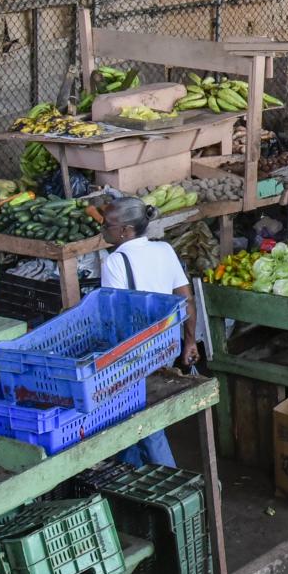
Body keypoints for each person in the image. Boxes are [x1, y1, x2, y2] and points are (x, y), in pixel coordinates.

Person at [97, 197, 197, 469]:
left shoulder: (115, 262)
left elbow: (116, 317)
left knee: (146, 422)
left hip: (135, 353)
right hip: (167, 345)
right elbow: (186, 300)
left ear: (126, 230)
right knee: (132, 415)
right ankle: (129, 473)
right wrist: (188, 341)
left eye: (108, 224)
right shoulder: (164, 249)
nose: (103, 228)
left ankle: (174, 483)